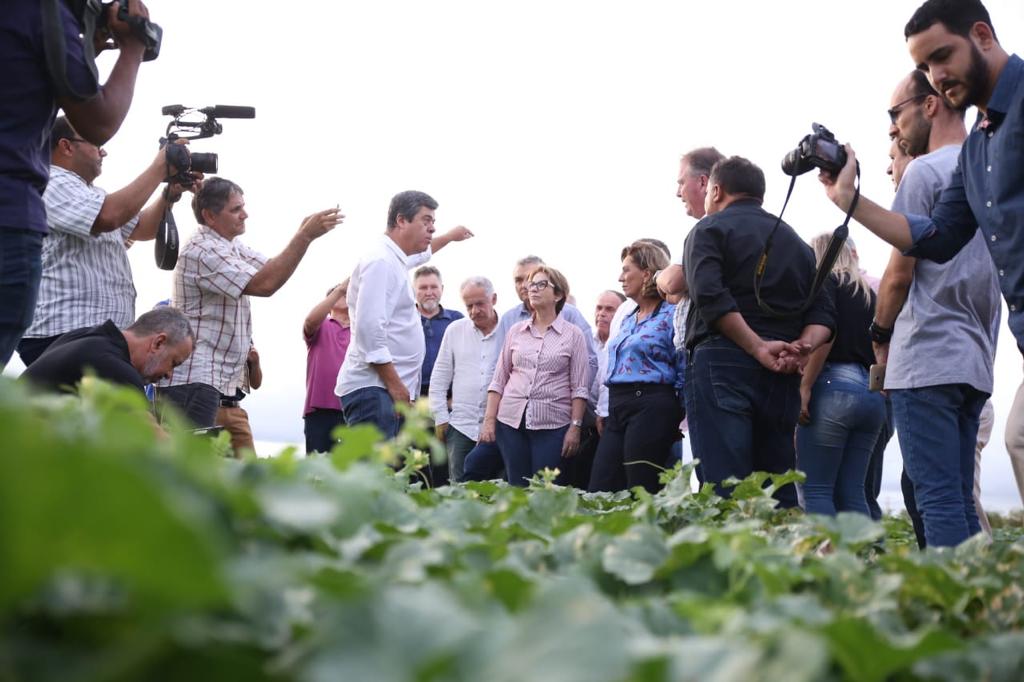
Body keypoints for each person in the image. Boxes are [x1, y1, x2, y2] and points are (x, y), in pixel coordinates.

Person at [818, 0, 1024, 512]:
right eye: (925, 66)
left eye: (941, 56)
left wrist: (883, 338)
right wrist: (849, 200)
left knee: (948, 492)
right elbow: (935, 236)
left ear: (982, 35)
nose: (936, 76)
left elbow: (902, 272)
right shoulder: (979, 146)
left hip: (938, 360)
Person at [872, 69, 1000, 547]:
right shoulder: (984, 168)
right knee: (962, 501)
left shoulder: (924, 171)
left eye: (895, 113)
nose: (891, 127)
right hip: (975, 359)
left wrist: (880, 338)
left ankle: (950, 614)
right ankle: (979, 605)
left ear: (929, 105)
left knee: (937, 500)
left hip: (925, 355)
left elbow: (898, 274)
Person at [1, 0, 155, 366]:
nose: (103, 152)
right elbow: (97, 120)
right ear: (66, 146)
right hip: (9, 218)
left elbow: (138, 223)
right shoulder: (40, 11)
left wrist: (169, 188)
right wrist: (134, 46)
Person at [684, 156, 835, 507]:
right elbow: (825, 310)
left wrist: (756, 347)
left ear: (716, 190)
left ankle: (732, 561)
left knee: (724, 487)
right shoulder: (798, 244)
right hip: (782, 370)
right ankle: (779, 557)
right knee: (775, 485)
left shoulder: (707, 230)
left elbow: (710, 296)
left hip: (723, 359)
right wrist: (802, 347)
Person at [157, 178, 343, 427]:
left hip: (208, 382)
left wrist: (302, 232)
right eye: (235, 209)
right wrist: (305, 236)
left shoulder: (229, 245)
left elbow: (271, 268)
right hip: (192, 380)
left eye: (242, 207)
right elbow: (266, 284)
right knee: (187, 464)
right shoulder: (202, 250)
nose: (245, 214)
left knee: (208, 463)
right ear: (209, 216)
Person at [17, 116, 192, 365]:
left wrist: (169, 193)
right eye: (97, 143)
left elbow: (142, 228)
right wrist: (160, 167)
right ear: (66, 146)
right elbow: (109, 216)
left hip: (87, 334)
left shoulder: (88, 193)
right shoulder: (50, 180)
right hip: (67, 332)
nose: (104, 151)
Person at [796, 238, 884, 516]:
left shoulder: (827, 285)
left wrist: (805, 386)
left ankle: (824, 559)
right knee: (854, 492)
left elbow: (825, 338)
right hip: (871, 394)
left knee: (816, 489)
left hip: (834, 388)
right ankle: (867, 557)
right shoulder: (871, 295)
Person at [480, 265, 590, 486]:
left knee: (546, 490)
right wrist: (489, 421)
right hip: (510, 423)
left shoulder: (573, 335)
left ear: (558, 295)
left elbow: (579, 387)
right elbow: (499, 379)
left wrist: (575, 427)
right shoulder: (515, 331)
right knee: (517, 489)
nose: (533, 289)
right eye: (531, 285)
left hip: (553, 425)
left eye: (541, 285)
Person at [589, 242, 684, 493]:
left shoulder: (672, 314)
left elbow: (683, 362)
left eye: (626, 270)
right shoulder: (629, 317)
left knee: (640, 486)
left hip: (651, 405)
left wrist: (678, 412)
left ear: (645, 273)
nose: (620, 278)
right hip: (619, 406)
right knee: (601, 484)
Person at [22, 307, 193, 395]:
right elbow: (153, 443)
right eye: (173, 363)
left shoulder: (84, 337)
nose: (169, 375)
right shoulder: (114, 368)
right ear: (158, 343)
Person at [428, 276, 501, 483]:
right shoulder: (455, 330)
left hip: (498, 427)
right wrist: (441, 418)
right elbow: (439, 378)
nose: (474, 311)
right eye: (469, 305)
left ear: (493, 299)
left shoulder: (510, 330)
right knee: (459, 489)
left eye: (480, 304)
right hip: (460, 426)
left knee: (497, 488)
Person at [302, 280, 351, 453]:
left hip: (351, 409)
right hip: (318, 410)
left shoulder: (360, 331)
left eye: (346, 293)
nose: (342, 294)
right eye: (336, 294)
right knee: (317, 473)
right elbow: (309, 321)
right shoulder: (321, 326)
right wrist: (339, 290)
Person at [414, 266, 464, 399]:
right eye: (423, 288)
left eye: (434, 287)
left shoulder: (457, 320)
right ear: (413, 291)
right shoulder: (403, 321)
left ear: (442, 288)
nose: (429, 292)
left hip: (450, 396)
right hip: (413, 396)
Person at [214, 344, 261, 457]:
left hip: (236, 410)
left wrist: (255, 363)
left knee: (249, 466)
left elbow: (256, 384)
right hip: (209, 407)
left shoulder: (246, 340)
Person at [590, 290, 626, 405]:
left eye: (609, 309)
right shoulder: (585, 342)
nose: (601, 313)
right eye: (599, 308)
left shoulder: (626, 347)